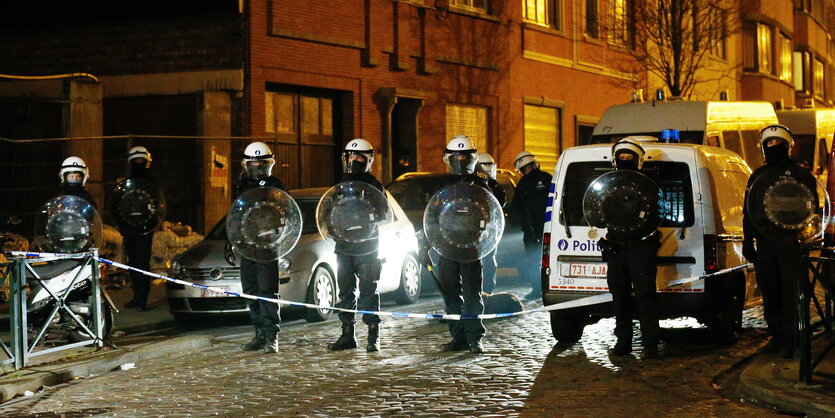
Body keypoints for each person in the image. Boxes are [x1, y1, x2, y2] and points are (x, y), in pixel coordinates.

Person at [743, 125, 817, 359]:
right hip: (769, 243)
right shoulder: (758, 176)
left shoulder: (802, 176)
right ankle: (778, 336)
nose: (773, 148)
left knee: (792, 292)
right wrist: (748, 240)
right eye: (769, 144)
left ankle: (793, 338)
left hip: (792, 244)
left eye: (777, 144)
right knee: (772, 291)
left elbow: (811, 209)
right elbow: (749, 211)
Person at [422, 135, 499, 354]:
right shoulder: (443, 186)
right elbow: (431, 218)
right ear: (449, 158)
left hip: (471, 247)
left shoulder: (481, 185)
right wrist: (424, 246)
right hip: (447, 247)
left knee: (473, 295)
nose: (461, 160)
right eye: (457, 156)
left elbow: (493, 216)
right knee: (451, 294)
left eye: (465, 156)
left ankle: (475, 337)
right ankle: (458, 337)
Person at [598, 139, 661, 359]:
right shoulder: (607, 185)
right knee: (620, 297)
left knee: (645, 296)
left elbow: (656, 214)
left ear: (638, 161)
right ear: (615, 160)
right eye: (621, 157)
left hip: (641, 247)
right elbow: (598, 215)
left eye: (629, 158)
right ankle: (623, 341)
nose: (625, 162)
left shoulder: (648, 185)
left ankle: (650, 344)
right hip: (616, 248)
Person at [327, 139, 386, 352]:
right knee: (345, 292)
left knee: (369, 290)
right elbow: (329, 212)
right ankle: (347, 334)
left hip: (367, 246)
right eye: (352, 157)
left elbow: (382, 213)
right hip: (344, 246)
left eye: (360, 157)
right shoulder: (341, 185)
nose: (355, 161)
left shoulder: (374, 185)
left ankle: (373, 335)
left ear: (368, 160)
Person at [234, 142, 286, 354]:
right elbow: (235, 215)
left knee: (267, 291)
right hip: (247, 246)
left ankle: (271, 335)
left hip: (266, 246)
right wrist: (232, 241)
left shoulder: (275, 186)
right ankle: (259, 333)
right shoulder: (242, 185)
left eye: (260, 163)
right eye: (253, 163)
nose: (256, 167)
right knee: (251, 290)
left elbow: (284, 212)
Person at [512, 151, 552, 300]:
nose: (527, 171)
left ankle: (549, 287)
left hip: (547, 228)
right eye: (524, 169)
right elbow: (517, 206)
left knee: (548, 260)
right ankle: (537, 288)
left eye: (529, 167)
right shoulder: (522, 184)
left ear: (534, 165)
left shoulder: (546, 179)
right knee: (532, 261)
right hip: (530, 230)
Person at [121, 146, 156, 312]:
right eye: (136, 161)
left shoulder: (151, 183)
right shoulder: (126, 184)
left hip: (145, 228)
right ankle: (136, 297)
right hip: (129, 228)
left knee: (142, 262)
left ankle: (143, 299)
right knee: (132, 263)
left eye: (141, 161)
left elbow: (157, 205)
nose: (139, 164)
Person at [475, 152, 506, 294]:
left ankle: (487, 291)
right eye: (485, 166)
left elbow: (500, 204)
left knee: (489, 263)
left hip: (490, 229)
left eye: (489, 166)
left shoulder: (494, 185)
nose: (488, 169)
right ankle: (476, 291)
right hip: (475, 230)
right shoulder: (473, 184)